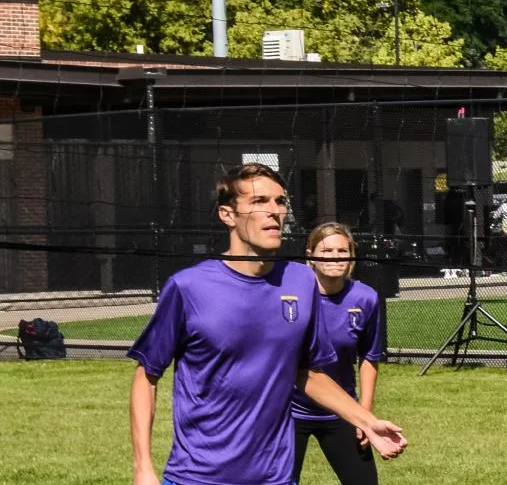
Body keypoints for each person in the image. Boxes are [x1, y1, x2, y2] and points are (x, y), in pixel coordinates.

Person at [129, 163, 407, 485]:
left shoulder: (302, 280)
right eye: (259, 202)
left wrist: (366, 420)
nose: (275, 212)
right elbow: (146, 375)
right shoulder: (188, 286)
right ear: (227, 215)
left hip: (276, 476)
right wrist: (143, 467)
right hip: (198, 476)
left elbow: (308, 373)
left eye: (280, 201)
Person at [291, 223, 389, 485]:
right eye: (327, 250)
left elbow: (370, 356)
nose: (335, 256)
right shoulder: (292, 297)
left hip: (342, 410)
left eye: (342, 250)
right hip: (289, 412)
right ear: (310, 254)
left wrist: (364, 416)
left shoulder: (365, 298)